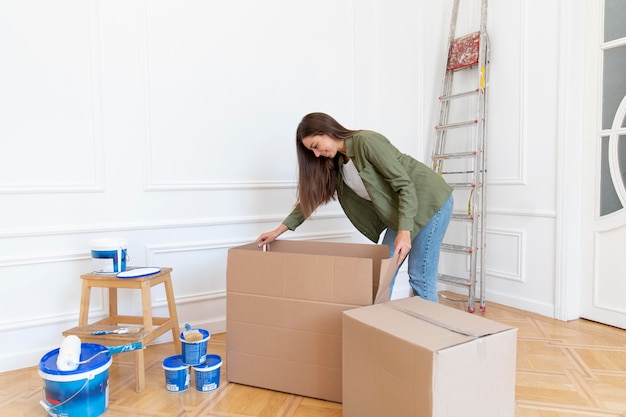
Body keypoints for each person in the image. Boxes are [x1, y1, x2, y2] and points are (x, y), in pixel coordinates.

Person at [256, 112, 453, 302]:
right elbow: (311, 199)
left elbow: (405, 185)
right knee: (384, 274)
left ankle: (430, 334)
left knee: (420, 276)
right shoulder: (337, 163)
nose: (316, 154)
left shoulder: (366, 142)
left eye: (316, 146)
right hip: (402, 211)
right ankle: (380, 328)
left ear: (327, 130)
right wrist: (278, 231)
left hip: (429, 200)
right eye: (312, 151)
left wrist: (404, 231)